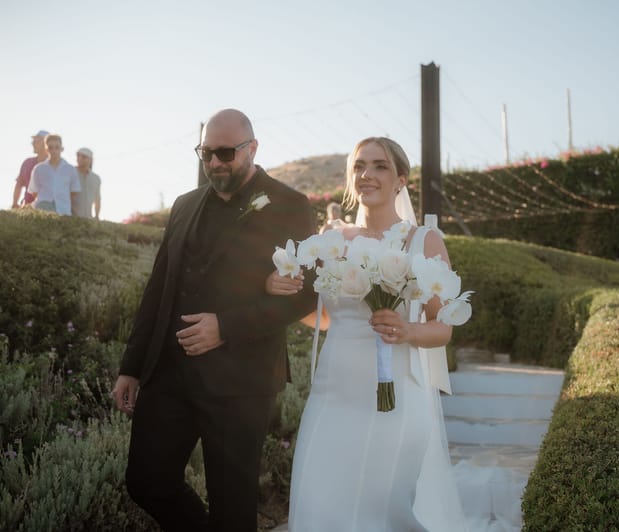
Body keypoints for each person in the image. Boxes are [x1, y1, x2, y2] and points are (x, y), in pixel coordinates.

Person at [111, 108, 317, 531]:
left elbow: (306, 296)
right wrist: (132, 367)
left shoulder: (290, 206)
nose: (215, 164)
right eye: (207, 154)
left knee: (233, 505)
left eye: (226, 154)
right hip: (169, 374)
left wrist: (225, 326)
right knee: (147, 482)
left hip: (241, 380)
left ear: (252, 148)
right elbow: (159, 288)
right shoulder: (184, 206)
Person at [266, 137, 468, 531]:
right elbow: (326, 318)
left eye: (379, 166)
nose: (366, 175)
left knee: (379, 511)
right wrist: (283, 297)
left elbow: (443, 327)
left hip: (393, 400)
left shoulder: (422, 241)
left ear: (400, 181)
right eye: (359, 166)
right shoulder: (331, 239)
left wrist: (407, 329)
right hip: (333, 392)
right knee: (318, 500)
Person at [28, 134, 81, 215]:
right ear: (46, 149)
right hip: (43, 210)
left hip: (64, 211)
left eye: (57, 147)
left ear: (62, 149)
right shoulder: (38, 169)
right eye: (50, 147)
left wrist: (62, 198)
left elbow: (74, 191)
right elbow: (34, 191)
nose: (54, 150)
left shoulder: (70, 169)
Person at [11, 130, 49, 209]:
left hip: (47, 209)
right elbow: (19, 184)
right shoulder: (27, 163)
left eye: (36, 141)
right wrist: (15, 203)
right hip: (27, 208)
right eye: (33, 141)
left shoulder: (54, 166)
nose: (33, 143)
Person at [72, 147, 102, 219]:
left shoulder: (96, 178)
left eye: (83, 157)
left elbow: (97, 199)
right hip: (71, 218)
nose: (80, 158)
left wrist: (97, 216)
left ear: (90, 160)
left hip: (88, 219)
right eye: (78, 156)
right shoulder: (71, 173)